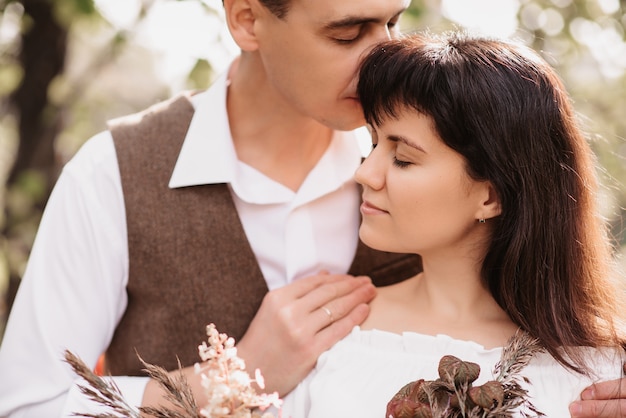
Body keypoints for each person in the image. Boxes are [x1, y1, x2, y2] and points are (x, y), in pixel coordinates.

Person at [0, 0, 622, 415]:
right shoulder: (113, 173)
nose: (381, 54)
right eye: (347, 33)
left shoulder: (433, 156)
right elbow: (27, 404)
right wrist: (218, 384)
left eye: (393, 22)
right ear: (246, 19)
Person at [281, 30, 626, 418]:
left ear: (491, 196)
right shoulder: (332, 333)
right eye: (374, 144)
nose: (366, 174)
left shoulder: (605, 371)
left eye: (403, 159)